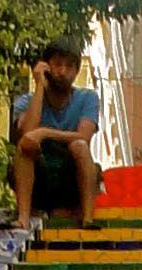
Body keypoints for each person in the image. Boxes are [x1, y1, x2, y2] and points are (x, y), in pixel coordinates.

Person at [10, 37, 102, 231]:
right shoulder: (28, 100)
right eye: (57, 65)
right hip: (40, 178)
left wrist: (43, 133)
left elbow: (83, 137)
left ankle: (88, 219)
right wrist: (39, 87)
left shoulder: (88, 98)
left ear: (77, 71)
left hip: (70, 180)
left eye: (69, 66)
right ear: (46, 66)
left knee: (80, 146)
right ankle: (23, 219)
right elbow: (27, 134)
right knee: (26, 146)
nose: (63, 72)